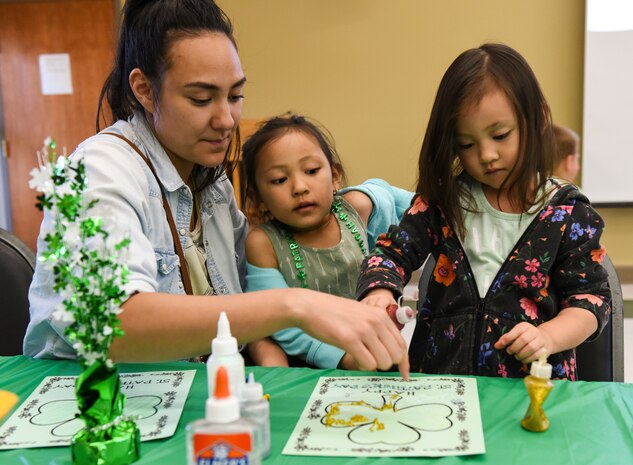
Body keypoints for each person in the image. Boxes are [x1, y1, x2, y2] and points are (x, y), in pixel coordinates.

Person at [23, 0, 409, 378]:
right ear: (144, 89)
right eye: (201, 99)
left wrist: (355, 206)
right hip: (92, 410)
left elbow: (252, 285)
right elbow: (115, 324)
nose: (226, 119)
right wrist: (294, 304)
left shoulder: (213, 184)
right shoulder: (99, 170)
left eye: (235, 96)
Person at [356, 43, 611, 380]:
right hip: (442, 386)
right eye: (466, 144)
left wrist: (549, 336)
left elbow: (591, 300)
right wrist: (379, 291)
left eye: (501, 135)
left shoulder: (568, 214)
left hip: (531, 390)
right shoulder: (444, 201)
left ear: (540, 117)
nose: (487, 154)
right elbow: (391, 253)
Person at [240, 114, 413, 369]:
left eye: (311, 171)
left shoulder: (357, 208)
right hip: (307, 368)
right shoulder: (263, 243)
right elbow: (280, 323)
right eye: (279, 180)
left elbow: (422, 210)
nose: (299, 187)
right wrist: (343, 358)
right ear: (259, 197)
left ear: (334, 176)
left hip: (373, 353)